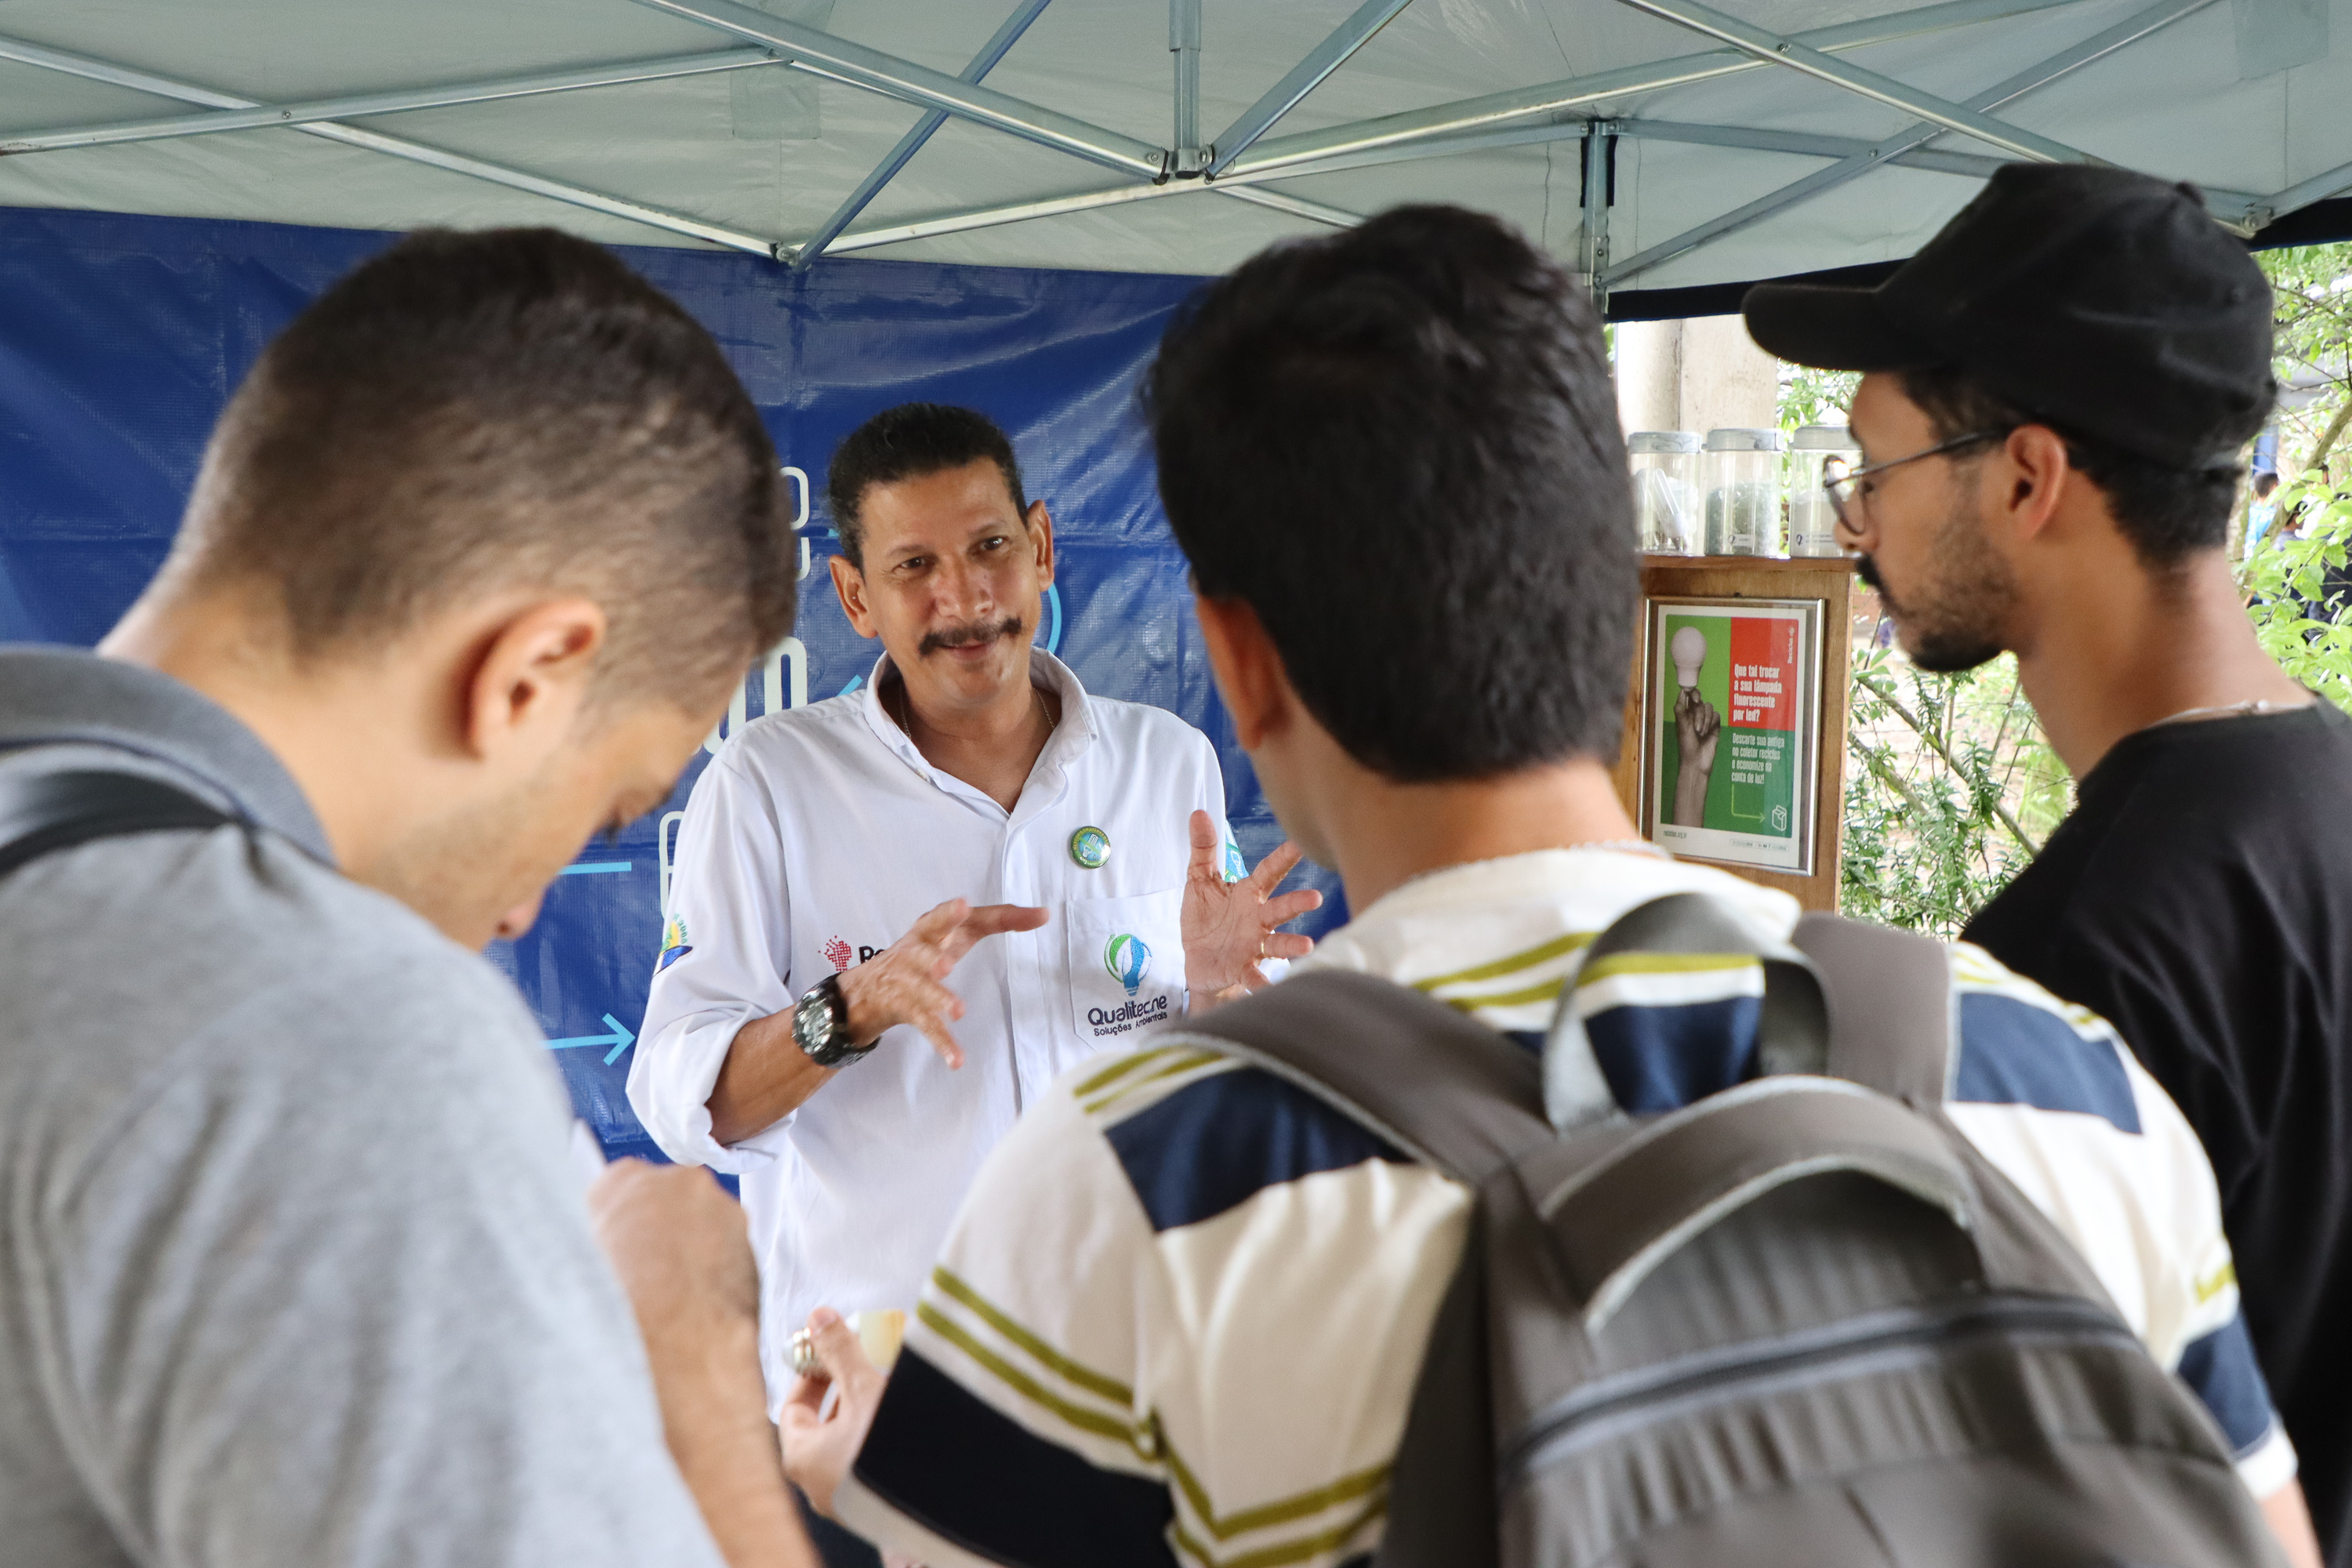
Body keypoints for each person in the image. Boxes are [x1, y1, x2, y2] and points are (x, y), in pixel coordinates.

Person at [753, 204, 2322, 1568]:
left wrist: (811, 1450)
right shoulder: (2066, 1084)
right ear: (1613, 594)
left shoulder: (1150, 1176)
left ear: (1239, 660)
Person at [0, 227, 819, 1566]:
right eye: (604, 808)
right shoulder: (319, 1022)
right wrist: (699, 1388)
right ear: (530, 677)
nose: (521, 914)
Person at [1745, 162, 2352, 1567]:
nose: (1854, 525)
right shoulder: (2325, 792)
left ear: (2028, 478)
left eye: (1873, 470)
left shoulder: (2080, 959)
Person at [626, 402, 1320, 1555]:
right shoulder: (769, 786)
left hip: (1126, 1403)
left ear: (1041, 544)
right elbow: (681, 1100)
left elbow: (1217, 1101)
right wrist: (846, 1013)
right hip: (870, 1419)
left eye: (991, 546)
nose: (966, 597)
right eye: (915, 567)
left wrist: (1217, 997)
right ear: (856, 597)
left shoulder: (1165, 764)